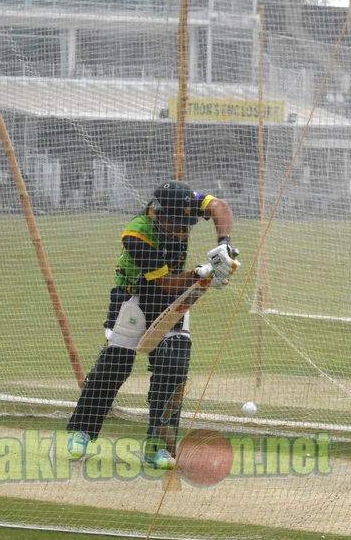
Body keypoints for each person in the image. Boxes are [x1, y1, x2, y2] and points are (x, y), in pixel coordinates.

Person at [65, 180, 239, 469]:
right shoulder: (137, 234)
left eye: (185, 224)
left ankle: (159, 445)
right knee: (116, 362)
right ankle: (83, 430)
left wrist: (224, 244)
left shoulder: (182, 202)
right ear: (158, 213)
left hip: (174, 296)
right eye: (174, 224)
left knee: (174, 362)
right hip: (134, 294)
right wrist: (203, 273)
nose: (180, 230)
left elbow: (220, 206)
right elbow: (164, 283)